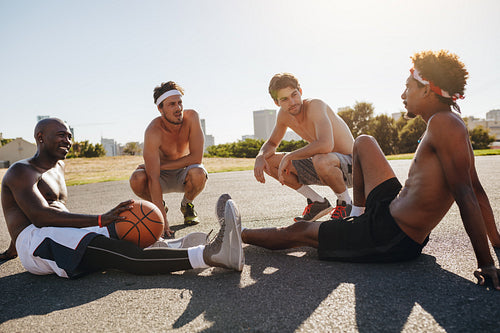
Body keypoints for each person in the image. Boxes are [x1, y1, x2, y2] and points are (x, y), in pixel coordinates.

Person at [242, 51, 500, 290]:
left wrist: (486, 263)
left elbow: (467, 193)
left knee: (299, 233)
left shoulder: (445, 124)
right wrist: (497, 243)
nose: (403, 95)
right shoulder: (447, 121)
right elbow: (476, 189)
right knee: (363, 141)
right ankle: (358, 213)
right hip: (390, 207)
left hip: (391, 234)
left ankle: (237, 234)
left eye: (408, 88)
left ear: (427, 92)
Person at [0, 118, 244, 278]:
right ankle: (211, 254)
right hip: (37, 240)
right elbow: (38, 216)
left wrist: (106, 221)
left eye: (68, 135)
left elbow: (22, 211)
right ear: (40, 137)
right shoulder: (22, 171)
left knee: (124, 227)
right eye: (60, 135)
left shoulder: (59, 167)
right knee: (117, 252)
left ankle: (181, 245)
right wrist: (99, 219)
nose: (66, 140)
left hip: (57, 232)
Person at [254, 73, 356, 222]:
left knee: (320, 158)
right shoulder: (283, 116)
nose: (292, 102)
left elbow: (326, 144)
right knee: (269, 161)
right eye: (285, 99)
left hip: (353, 167)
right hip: (324, 165)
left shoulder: (316, 106)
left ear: (300, 92)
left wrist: (290, 156)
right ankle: (317, 203)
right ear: (277, 103)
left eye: (294, 95)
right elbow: (271, 144)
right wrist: (260, 156)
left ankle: (346, 203)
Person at [129, 81, 207, 237]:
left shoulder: (192, 117)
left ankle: (187, 205)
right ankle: (159, 208)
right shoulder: (153, 131)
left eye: (180, 103)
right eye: (172, 104)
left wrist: (158, 166)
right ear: (160, 108)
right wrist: (162, 220)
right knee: (137, 179)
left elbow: (196, 157)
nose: (178, 108)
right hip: (161, 177)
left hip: (184, 172)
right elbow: (153, 177)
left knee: (199, 173)